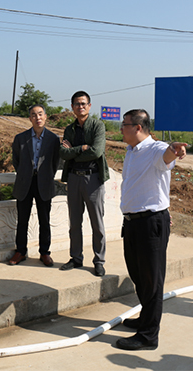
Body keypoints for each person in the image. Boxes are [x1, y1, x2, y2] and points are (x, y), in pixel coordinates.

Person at [116, 109, 187, 351]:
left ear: (138, 127)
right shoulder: (131, 151)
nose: (121, 129)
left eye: (124, 124)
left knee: (152, 280)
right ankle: (145, 319)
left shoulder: (156, 149)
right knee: (138, 275)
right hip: (132, 222)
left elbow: (168, 154)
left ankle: (148, 336)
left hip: (150, 223)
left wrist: (174, 148)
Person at [59, 91, 109, 276]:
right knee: (74, 222)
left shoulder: (97, 126)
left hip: (93, 179)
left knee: (97, 223)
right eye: (77, 104)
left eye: (83, 103)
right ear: (72, 107)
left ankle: (99, 260)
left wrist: (73, 151)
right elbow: (63, 154)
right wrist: (82, 148)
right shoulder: (69, 129)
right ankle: (76, 258)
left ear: (89, 106)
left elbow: (96, 152)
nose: (80, 106)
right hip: (74, 178)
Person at [9, 104, 61, 267]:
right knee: (22, 220)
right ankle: (20, 251)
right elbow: (16, 161)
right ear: (30, 118)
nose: (37, 117)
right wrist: (25, 174)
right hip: (25, 183)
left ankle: (44, 252)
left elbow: (55, 162)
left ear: (45, 116)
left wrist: (46, 175)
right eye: (33, 115)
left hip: (44, 183)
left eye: (40, 114)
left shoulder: (53, 139)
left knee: (44, 220)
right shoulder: (20, 138)